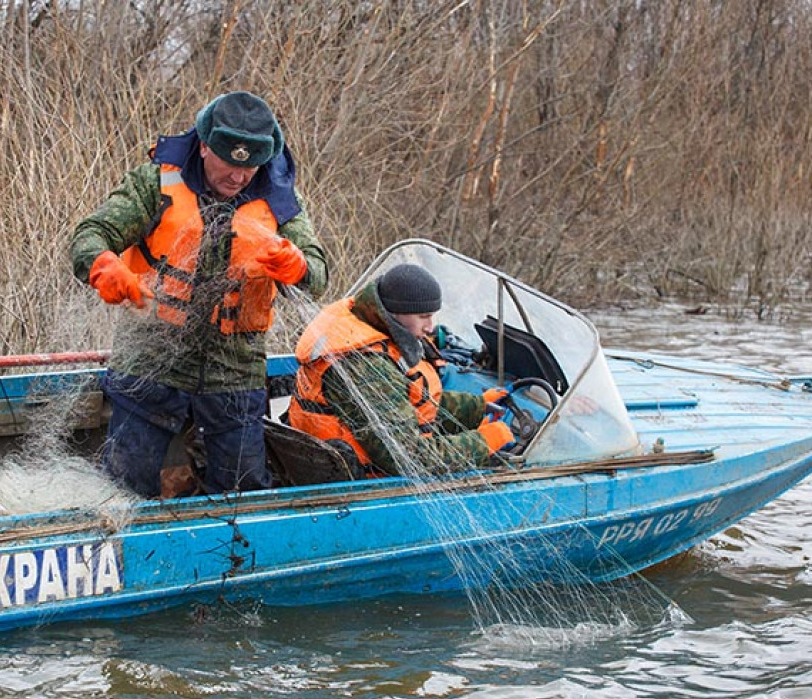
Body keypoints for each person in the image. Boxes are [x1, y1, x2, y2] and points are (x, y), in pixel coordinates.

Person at [70, 91, 328, 498]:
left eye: (250, 166)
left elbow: (318, 273)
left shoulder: (278, 201)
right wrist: (103, 264)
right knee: (124, 487)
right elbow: (91, 234)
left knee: (244, 493)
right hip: (150, 362)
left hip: (235, 370)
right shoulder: (155, 183)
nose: (240, 177)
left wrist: (299, 267)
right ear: (205, 145)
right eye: (229, 162)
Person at [287, 263, 513, 477]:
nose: (430, 327)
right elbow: (410, 458)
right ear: (394, 313)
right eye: (423, 317)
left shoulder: (366, 325)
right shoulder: (366, 367)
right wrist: (484, 443)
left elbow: (405, 401)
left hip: (335, 463)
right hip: (362, 485)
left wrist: (475, 407)